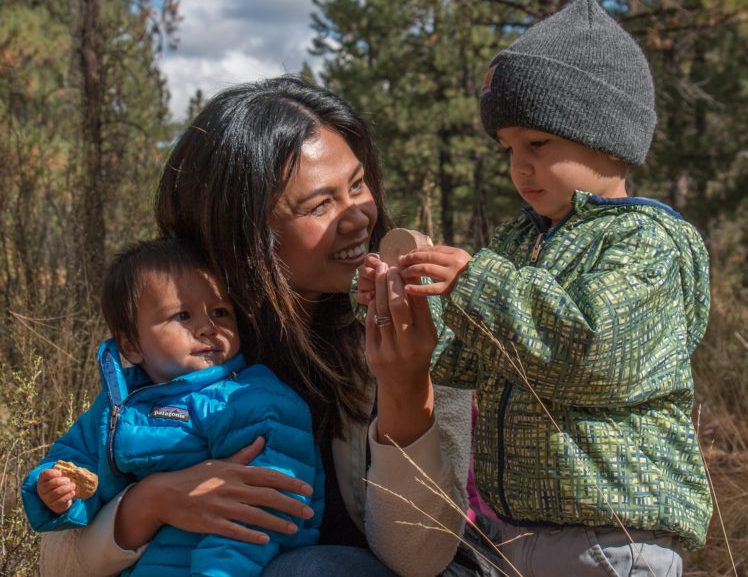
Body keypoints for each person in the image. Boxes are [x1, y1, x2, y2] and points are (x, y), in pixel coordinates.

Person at [39, 76, 472, 577]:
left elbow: (419, 557)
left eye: (357, 185)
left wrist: (404, 386)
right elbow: (59, 562)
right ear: (245, 236)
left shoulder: (421, 320)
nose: (358, 217)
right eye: (320, 205)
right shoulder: (189, 343)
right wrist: (150, 503)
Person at [370, 0, 713, 575]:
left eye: (537, 145)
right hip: (516, 533)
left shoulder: (648, 241)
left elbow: (594, 350)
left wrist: (476, 282)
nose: (518, 167)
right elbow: (475, 362)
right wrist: (403, 313)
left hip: (614, 536)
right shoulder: (519, 239)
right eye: (507, 149)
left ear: (608, 139)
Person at [23, 238, 324, 576]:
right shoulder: (118, 405)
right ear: (132, 345)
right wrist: (57, 490)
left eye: (221, 312)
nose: (208, 327)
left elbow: (260, 518)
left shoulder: (250, 400)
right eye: (183, 315)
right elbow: (76, 457)